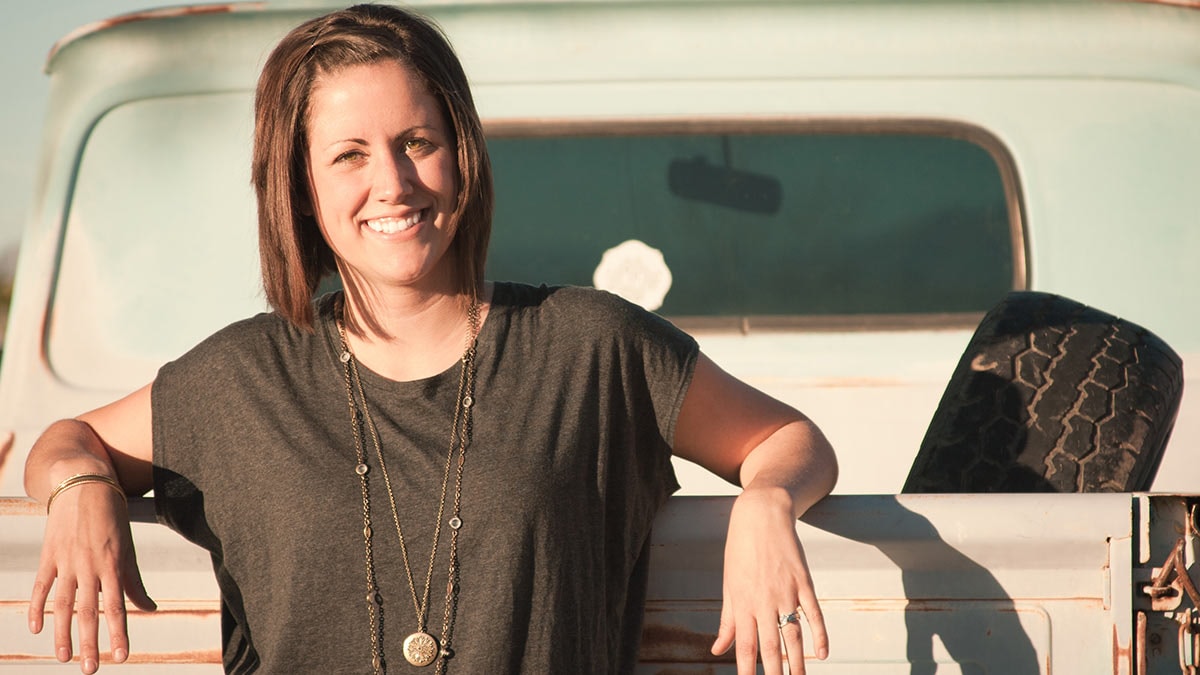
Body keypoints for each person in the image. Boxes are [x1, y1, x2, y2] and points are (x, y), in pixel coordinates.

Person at [23, 4, 837, 674]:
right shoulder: (239, 378)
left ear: (462, 154)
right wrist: (77, 487)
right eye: (349, 155)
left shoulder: (594, 348)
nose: (395, 183)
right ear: (301, 187)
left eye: (418, 142)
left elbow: (787, 438)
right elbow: (70, 438)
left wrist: (768, 500)